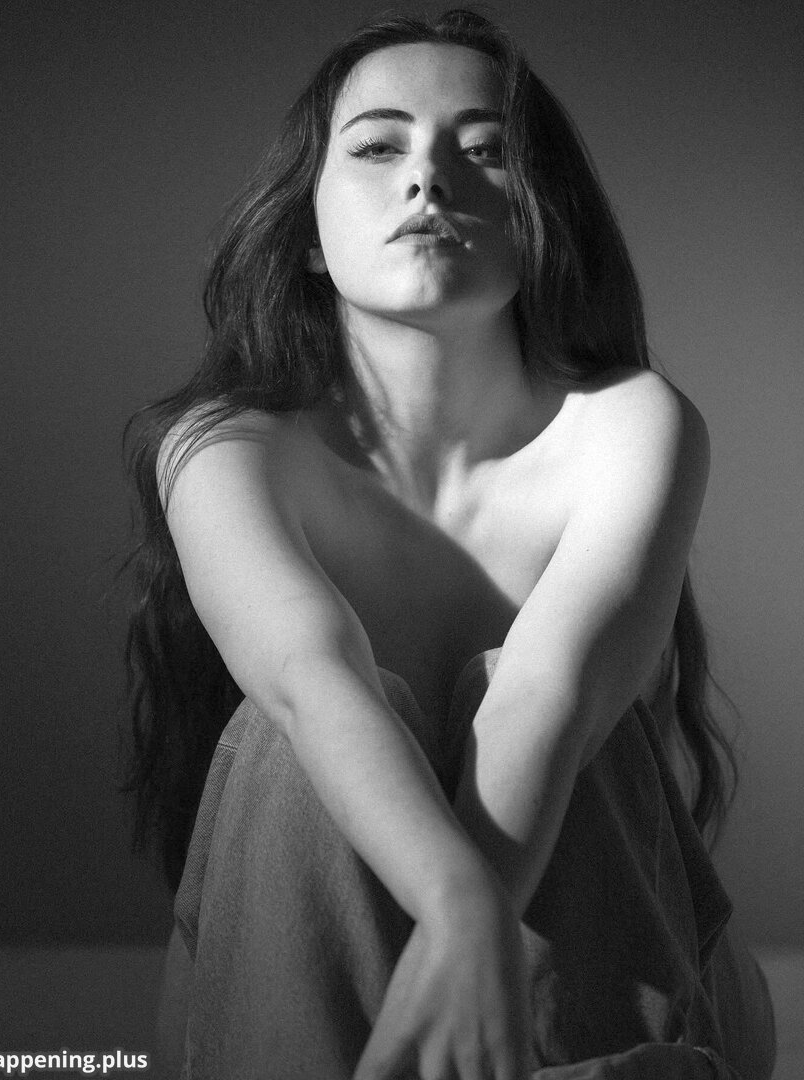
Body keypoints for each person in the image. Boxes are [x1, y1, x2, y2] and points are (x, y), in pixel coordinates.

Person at [123, 10, 775, 1079]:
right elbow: (308, 678)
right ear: (306, 234)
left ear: (543, 217)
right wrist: (460, 906)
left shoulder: (630, 424)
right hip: (300, 980)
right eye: (379, 147)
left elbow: (551, 697)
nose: (429, 180)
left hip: (620, 976)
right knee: (300, 737)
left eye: (485, 152)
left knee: (558, 717)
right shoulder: (226, 448)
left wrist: (472, 919)